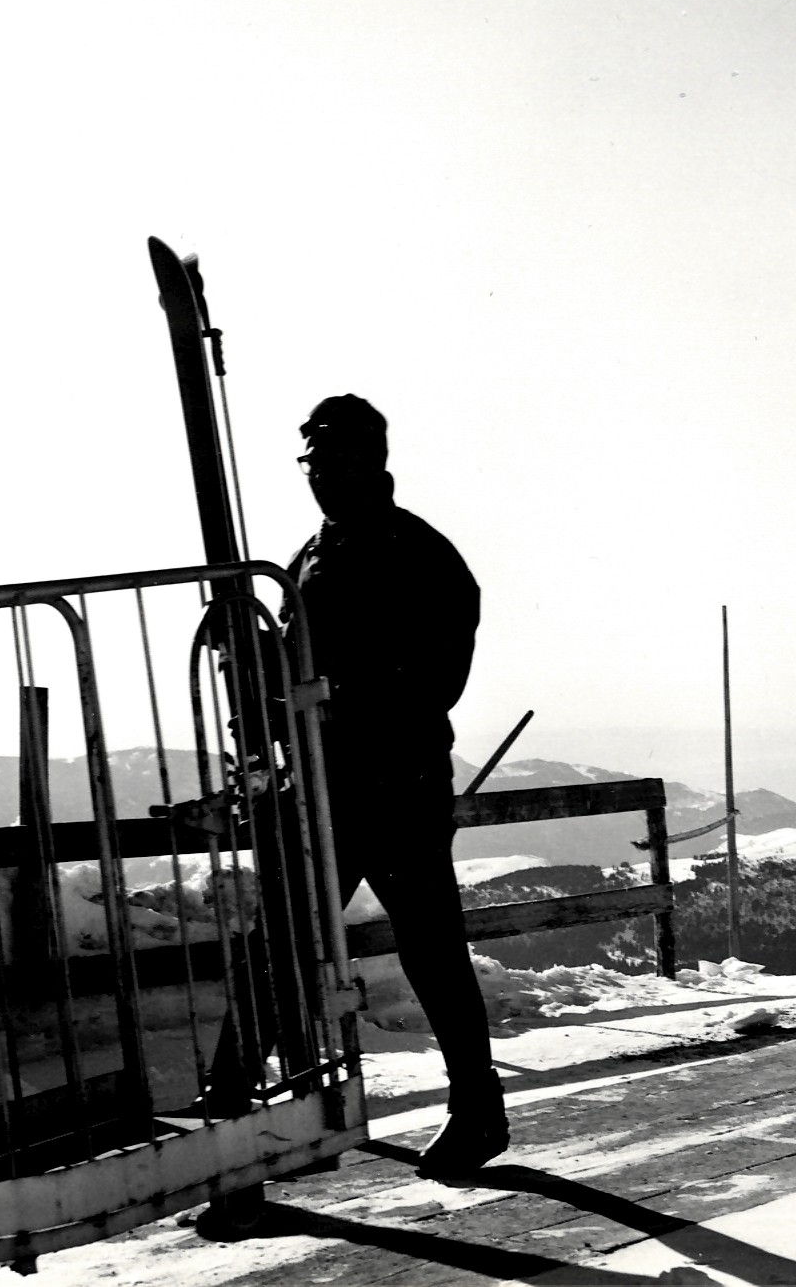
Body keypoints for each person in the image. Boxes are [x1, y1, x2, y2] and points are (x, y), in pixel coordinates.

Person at [202, 395, 506, 1189]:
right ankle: (227, 1102)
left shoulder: (422, 556)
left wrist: (332, 696)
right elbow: (290, 668)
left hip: (397, 782)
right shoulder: (307, 559)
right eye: (311, 462)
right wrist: (253, 664)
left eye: (334, 460)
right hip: (322, 788)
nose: (320, 475)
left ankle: (478, 1108)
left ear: (372, 461)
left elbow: (435, 677)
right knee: (280, 939)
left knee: (429, 949)